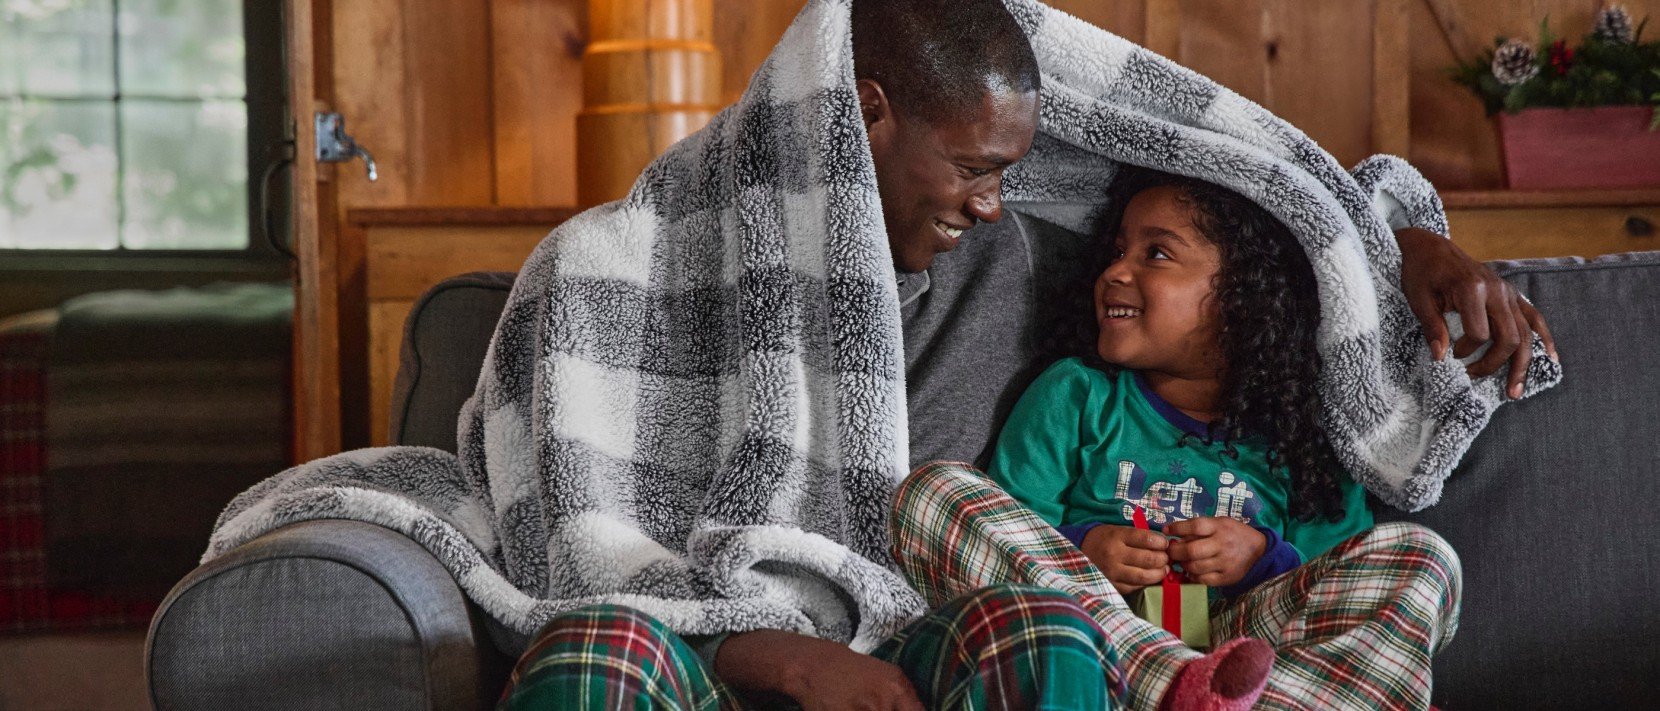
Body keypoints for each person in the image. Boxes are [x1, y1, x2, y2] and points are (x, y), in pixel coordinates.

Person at [499, 0, 1551, 708]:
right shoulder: (612, 269)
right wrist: (777, 654)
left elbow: (1258, 197)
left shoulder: (1011, 247)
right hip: (703, 639)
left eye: (1007, 172)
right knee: (587, 654)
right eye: (969, 167)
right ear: (864, 114)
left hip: (942, 636)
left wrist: (1402, 246)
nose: (994, 203)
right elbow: (576, 544)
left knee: (1040, 633)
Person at [892, 167, 1462, 710]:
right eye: (1117, 252)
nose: (1115, 272)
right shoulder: (1076, 395)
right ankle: (1175, 684)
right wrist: (1084, 547)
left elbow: (1330, 585)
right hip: (1099, 639)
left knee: (1426, 558)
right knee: (934, 493)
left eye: (1156, 254)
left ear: (1247, 295)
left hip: (1247, 649)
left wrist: (1262, 559)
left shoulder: (1299, 434)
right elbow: (1013, 532)